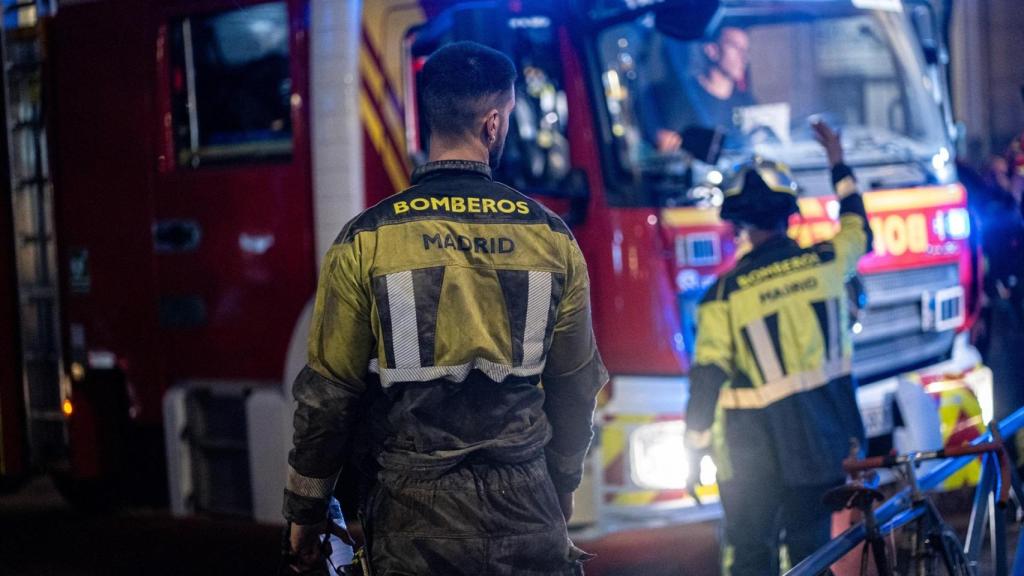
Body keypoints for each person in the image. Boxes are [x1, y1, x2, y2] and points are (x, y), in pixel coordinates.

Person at [282, 41, 607, 575]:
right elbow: (576, 382)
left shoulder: (367, 239)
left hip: (412, 519)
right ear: (494, 124)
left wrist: (306, 511)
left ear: (429, 117)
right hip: (528, 504)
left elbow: (329, 396)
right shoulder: (551, 238)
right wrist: (562, 483)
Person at [683, 121, 870, 576]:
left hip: (751, 459)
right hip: (825, 447)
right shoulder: (828, 262)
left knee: (749, 555)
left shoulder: (722, 297)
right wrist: (837, 160)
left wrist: (694, 450)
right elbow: (858, 226)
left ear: (738, 225)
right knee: (811, 554)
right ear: (789, 214)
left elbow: (707, 377)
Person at [647, 27, 756, 153]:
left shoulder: (746, 103)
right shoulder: (682, 97)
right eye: (735, 47)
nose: (744, 57)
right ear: (712, 50)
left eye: (746, 50)